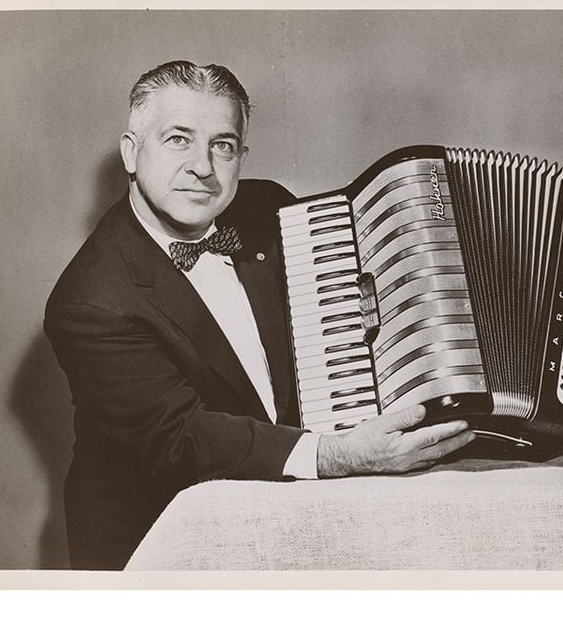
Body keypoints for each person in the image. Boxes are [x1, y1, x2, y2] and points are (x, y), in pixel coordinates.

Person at [45, 61, 475, 570]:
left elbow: (323, 336)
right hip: (156, 545)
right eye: (178, 139)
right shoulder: (90, 300)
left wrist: (367, 308)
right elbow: (181, 439)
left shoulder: (271, 209)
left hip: (291, 518)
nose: (203, 166)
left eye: (222, 145)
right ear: (131, 152)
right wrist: (338, 454)